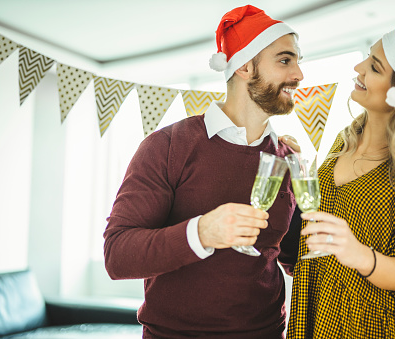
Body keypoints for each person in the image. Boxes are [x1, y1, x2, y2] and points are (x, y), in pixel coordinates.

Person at [103, 5, 304, 339]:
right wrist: (202, 232)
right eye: (285, 60)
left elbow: (295, 255)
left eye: (298, 61)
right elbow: (118, 255)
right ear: (243, 65)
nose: (299, 74)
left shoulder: (289, 160)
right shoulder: (166, 146)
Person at [286, 19, 395, 338]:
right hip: (317, 309)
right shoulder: (344, 139)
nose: (359, 67)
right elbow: (321, 223)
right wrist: (295, 173)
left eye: (375, 67)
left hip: (375, 324)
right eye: (368, 57)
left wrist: (358, 253)